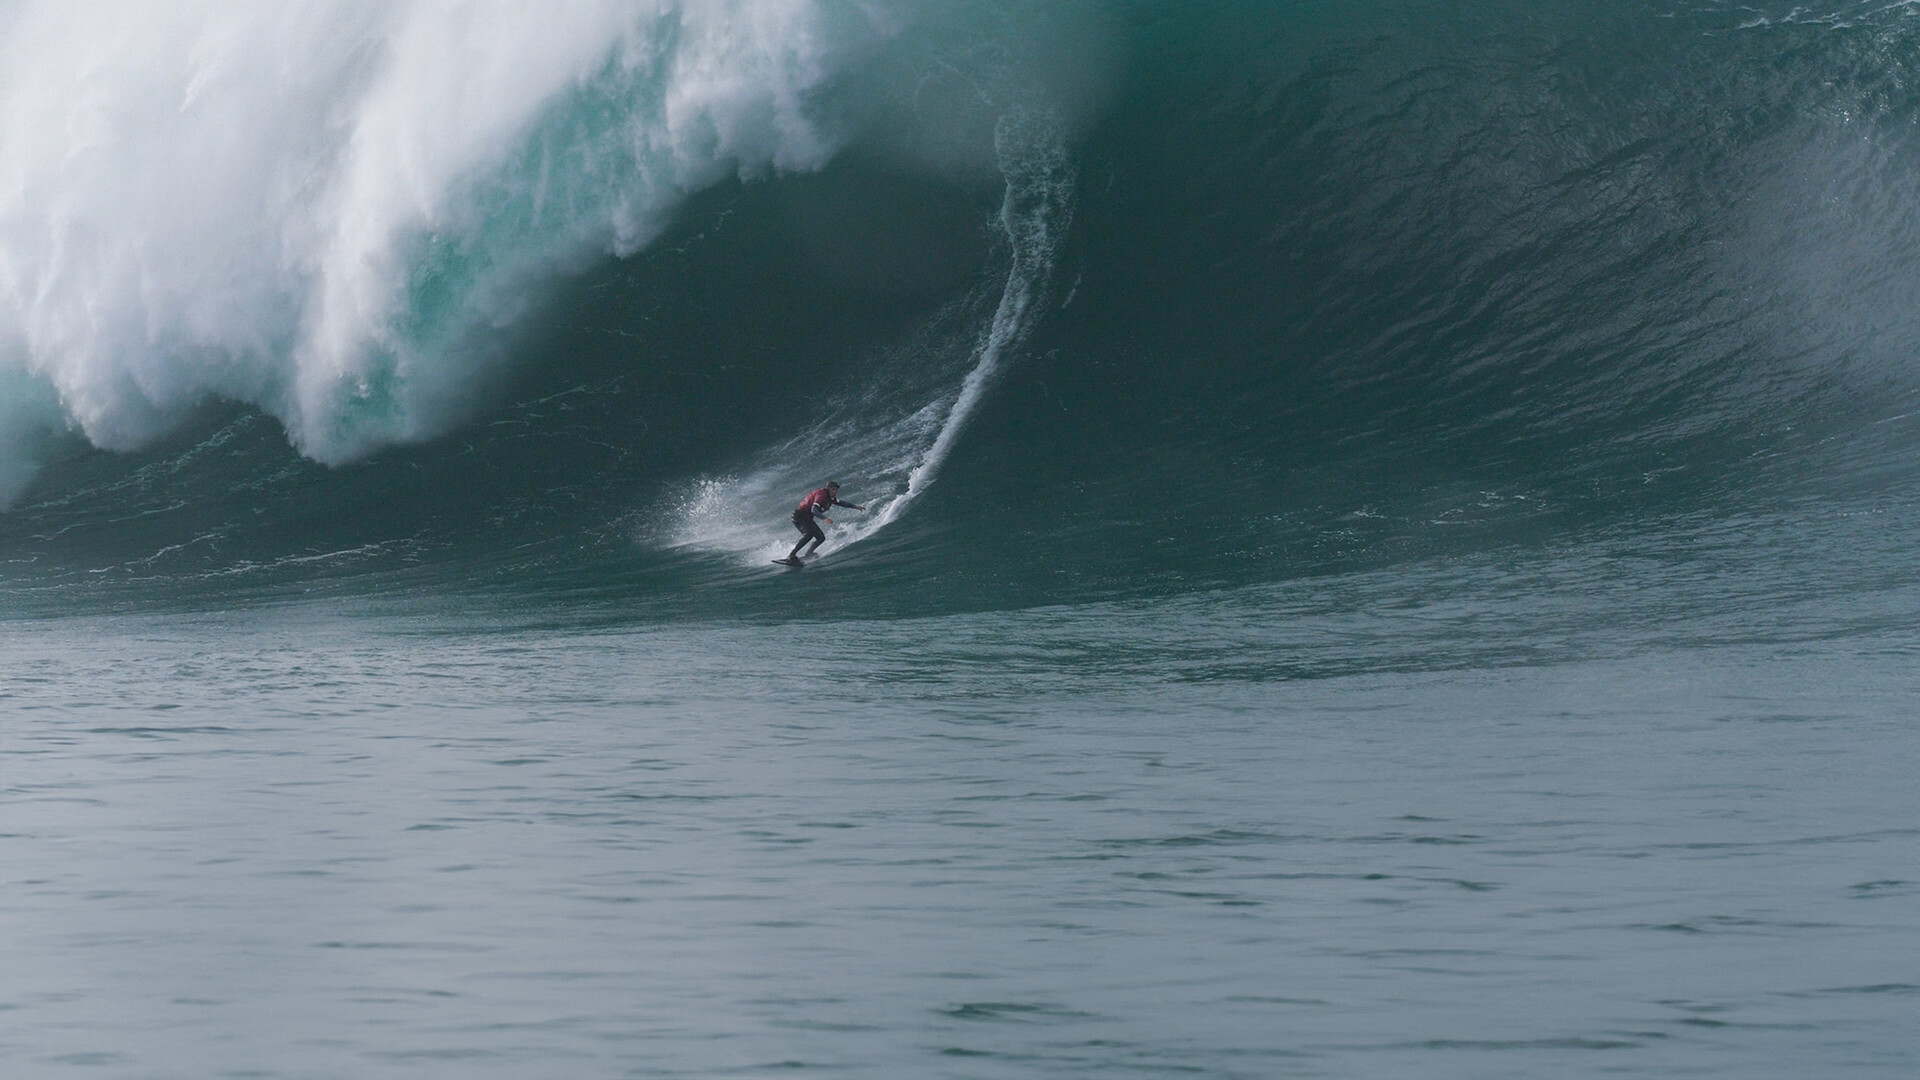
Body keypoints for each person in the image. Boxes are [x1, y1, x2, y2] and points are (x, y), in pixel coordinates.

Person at [785, 481, 864, 563]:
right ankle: (791, 556)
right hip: (799, 516)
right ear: (828, 489)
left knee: (821, 538)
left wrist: (855, 507)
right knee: (808, 535)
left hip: (807, 518)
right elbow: (814, 510)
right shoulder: (821, 496)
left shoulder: (830, 497)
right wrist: (824, 518)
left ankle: (808, 553)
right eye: (833, 489)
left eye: (836, 490)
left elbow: (841, 503)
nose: (835, 492)